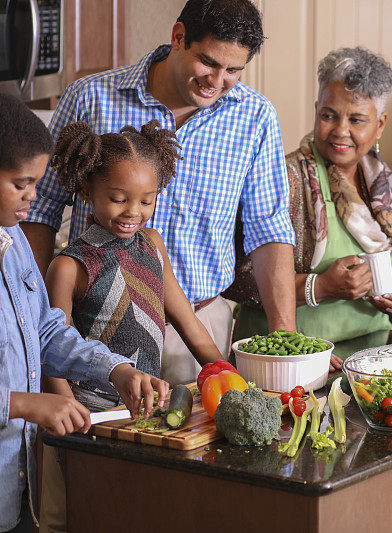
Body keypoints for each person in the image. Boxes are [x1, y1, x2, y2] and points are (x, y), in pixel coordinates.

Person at [21, 0, 297, 386]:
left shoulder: (257, 117)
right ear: (179, 36)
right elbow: (40, 207)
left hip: (198, 326)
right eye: (209, 62)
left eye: (233, 70)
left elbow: (269, 227)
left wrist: (285, 334)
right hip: (90, 328)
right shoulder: (91, 97)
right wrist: (29, 314)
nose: (217, 80)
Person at [37, 120, 227, 532]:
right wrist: (68, 423)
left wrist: (229, 377)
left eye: (146, 201)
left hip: (143, 414)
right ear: (86, 191)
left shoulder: (153, 245)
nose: (133, 213)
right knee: (79, 514)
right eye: (119, 199)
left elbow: (188, 323)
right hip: (88, 420)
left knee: (133, 512)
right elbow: (52, 351)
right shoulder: (70, 266)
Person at [0, 93, 168, 533]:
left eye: (36, 183)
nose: (34, 197)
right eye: (21, 184)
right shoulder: (70, 261)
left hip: (15, 484)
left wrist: (116, 371)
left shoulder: (13, 243)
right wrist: (24, 403)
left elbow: (47, 330)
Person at [225, 47, 392, 359]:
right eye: (329, 115)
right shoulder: (284, 177)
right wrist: (322, 286)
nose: (340, 131)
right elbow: (234, 279)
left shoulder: (383, 181)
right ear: (316, 109)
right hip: (288, 358)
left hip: (372, 357)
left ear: (380, 124)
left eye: (357, 119)